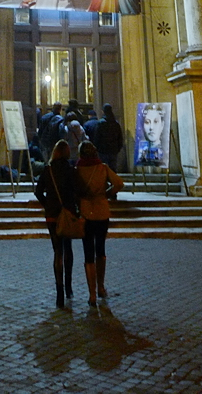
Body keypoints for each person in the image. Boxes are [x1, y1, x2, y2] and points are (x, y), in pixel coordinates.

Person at [76, 141, 124, 305]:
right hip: (102, 212)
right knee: (100, 250)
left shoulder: (78, 170)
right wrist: (106, 194)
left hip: (85, 213)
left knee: (88, 252)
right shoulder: (103, 168)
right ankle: (101, 287)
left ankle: (92, 294)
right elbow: (119, 183)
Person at [34, 140, 79, 307]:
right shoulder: (70, 170)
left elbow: (38, 192)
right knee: (68, 248)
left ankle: (59, 292)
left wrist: (47, 204)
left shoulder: (48, 170)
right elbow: (76, 192)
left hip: (52, 215)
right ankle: (68, 287)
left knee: (57, 251)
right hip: (67, 214)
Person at [95, 104, 124, 171]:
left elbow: (97, 137)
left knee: (103, 168)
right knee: (113, 168)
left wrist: (98, 148)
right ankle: (113, 180)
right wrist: (118, 148)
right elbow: (120, 137)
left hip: (103, 150)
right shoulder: (116, 123)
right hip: (113, 149)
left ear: (103, 111)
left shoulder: (101, 123)